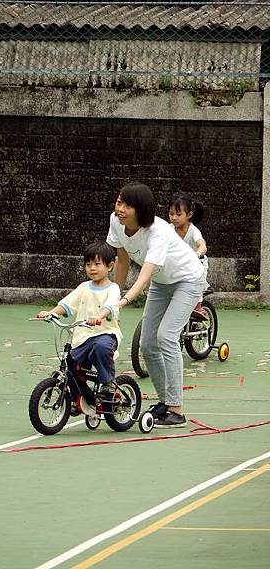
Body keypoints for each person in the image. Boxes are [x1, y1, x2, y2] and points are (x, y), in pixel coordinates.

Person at [106, 182, 205, 428]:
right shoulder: (115, 222)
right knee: (148, 343)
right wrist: (113, 296)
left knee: (167, 336)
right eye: (119, 202)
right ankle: (165, 403)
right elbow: (122, 260)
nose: (120, 209)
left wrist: (125, 300)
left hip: (188, 280)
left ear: (141, 210)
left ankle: (177, 410)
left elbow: (145, 274)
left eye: (127, 205)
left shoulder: (158, 231)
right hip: (162, 282)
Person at [36, 241, 122, 414]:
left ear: (110, 266)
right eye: (88, 264)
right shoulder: (84, 287)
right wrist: (52, 313)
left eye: (97, 264)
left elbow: (111, 306)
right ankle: (77, 399)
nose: (92, 268)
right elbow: (68, 304)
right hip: (82, 336)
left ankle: (107, 383)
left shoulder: (113, 288)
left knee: (101, 348)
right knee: (71, 364)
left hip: (105, 333)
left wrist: (99, 316)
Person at [168, 194, 210, 320]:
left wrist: (197, 254)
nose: (174, 218)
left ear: (189, 215)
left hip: (197, 264)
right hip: (177, 264)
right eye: (171, 214)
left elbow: (202, 245)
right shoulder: (168, 229)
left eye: (178, 214)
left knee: (196, 281)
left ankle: (198, 306)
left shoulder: (193, 231)